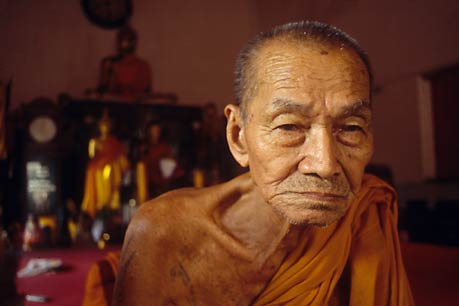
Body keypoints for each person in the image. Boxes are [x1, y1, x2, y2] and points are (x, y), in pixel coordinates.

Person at [112, 21, 414, 306]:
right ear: (238, 136)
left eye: (350, 129)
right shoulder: (166, 235)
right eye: (289, 127)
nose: (325, 164)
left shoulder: (365, 218)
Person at [97, 26, 152, 99]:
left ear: (134, 42)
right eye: (121, 39)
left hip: (135, 107)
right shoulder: (110, 63)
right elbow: (104, 91)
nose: (124, 43)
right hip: (114, 106)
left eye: (129, 39)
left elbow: (145, 92)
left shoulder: (143, 66)